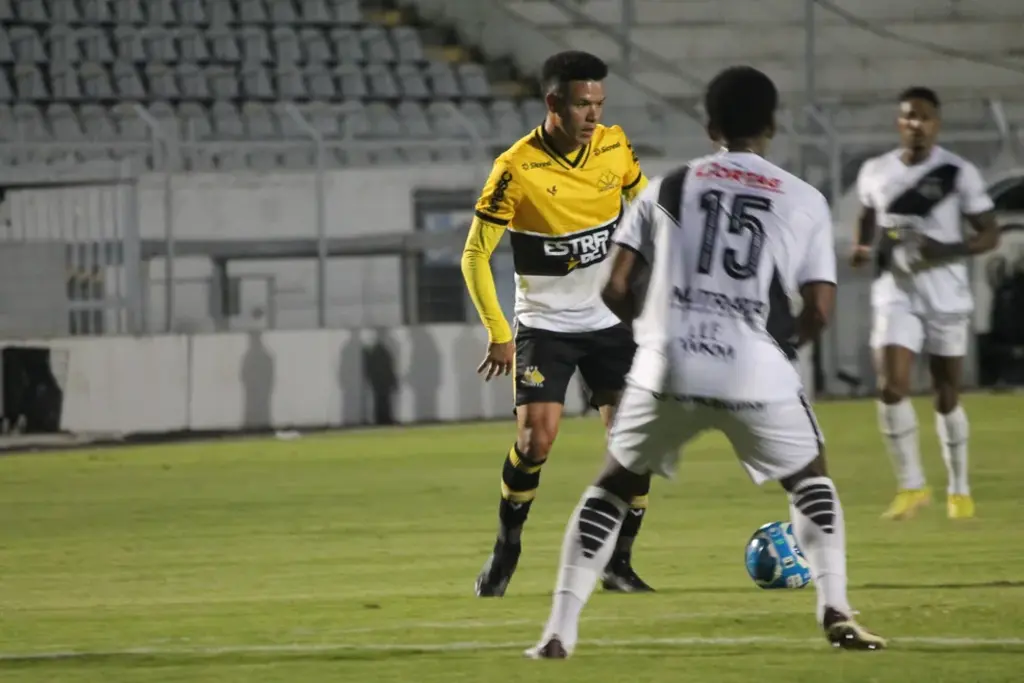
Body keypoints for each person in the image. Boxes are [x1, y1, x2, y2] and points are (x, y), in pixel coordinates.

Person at [525, 65, 887, 659]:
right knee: (809, 478)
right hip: (753, 363)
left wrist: (658, 329)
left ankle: (558, 632)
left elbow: (614, 289)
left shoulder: (665, 186)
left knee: (613, 486)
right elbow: (819, 308)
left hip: (667, 362)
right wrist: (778, 350)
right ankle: (835, 609)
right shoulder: (802, 198)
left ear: (710, 124)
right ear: (772, 124)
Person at [461, 50, 654, 597]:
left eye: (599, 104)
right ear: (553, 103)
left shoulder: (614, 146)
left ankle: (619, 562)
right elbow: (475, 256)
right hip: (545, 325)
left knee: (633, 443)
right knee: (535, 440)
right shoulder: (516, 167)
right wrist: (500, 332)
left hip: (611, 322)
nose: (593, 116)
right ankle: (507, 549)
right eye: (581, 104)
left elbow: (643, 205)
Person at [852, 87, 1000, 521]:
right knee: (890, 387)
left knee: (946, 394)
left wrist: (945, 248)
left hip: (945, 295)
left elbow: (990, 234)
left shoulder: (957, 173)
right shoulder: (874, 171)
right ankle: (912, 486)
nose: (916, 124)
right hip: (895, 292)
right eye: (909, 117)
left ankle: (959, 489)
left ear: (937, 124)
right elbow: (866, 216)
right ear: (899, 123)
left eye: (925, 118)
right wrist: (863, 246)